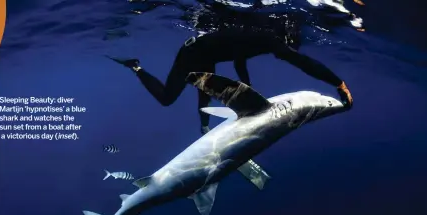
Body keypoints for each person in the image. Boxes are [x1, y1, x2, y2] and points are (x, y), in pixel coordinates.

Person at [108, 26, 353, 135]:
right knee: (167, 99)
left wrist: (249, 88)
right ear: (283, 41)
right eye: (286, 49)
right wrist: (338, 83)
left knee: (206, 91)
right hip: (192, 54)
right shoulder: (268, 41)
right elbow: (302, 63)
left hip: (207, 56)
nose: (283, 56)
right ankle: (136, 67)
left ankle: (204, 127)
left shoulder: (257, 37)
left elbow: (238, 58)